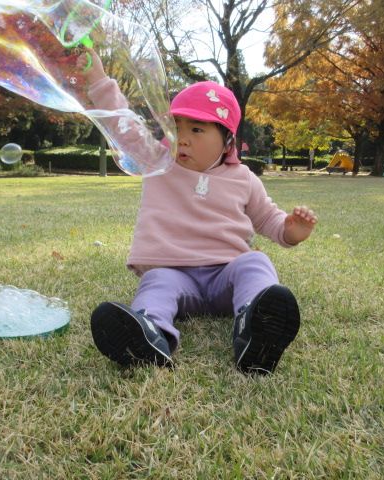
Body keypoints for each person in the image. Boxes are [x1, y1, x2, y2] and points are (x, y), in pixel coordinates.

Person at [81, 50, 318, 374]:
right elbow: (122, 125)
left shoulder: (243, 178)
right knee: (157, 281)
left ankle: (254, 327)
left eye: (196, 130)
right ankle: (150, 335)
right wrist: (97, 78)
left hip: (226, 275)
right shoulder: (158, 161)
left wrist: (291, 230)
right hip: (174, 272)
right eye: (177, 128)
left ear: (227, 141)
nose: (183, 139)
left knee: (255, 262)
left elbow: (267, 218)